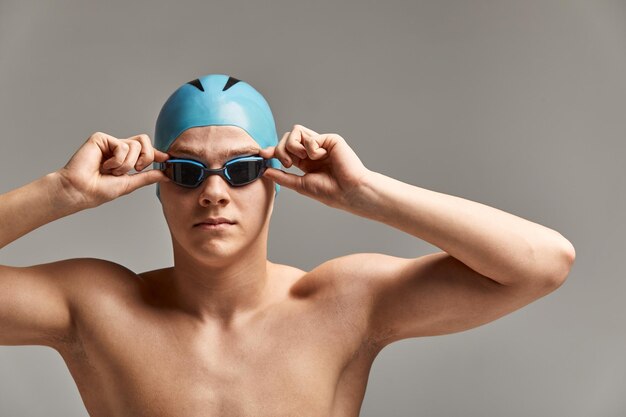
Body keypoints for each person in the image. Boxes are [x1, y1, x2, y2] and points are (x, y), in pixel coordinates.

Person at [0, 73, 575, 417]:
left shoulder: (342, 305)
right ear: (156, 188)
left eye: (243, 169)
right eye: (186, 173)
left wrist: (367, 192)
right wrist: (61, 192)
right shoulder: (98, 308)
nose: (214, 193)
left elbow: (544, 264)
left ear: (274, 181)